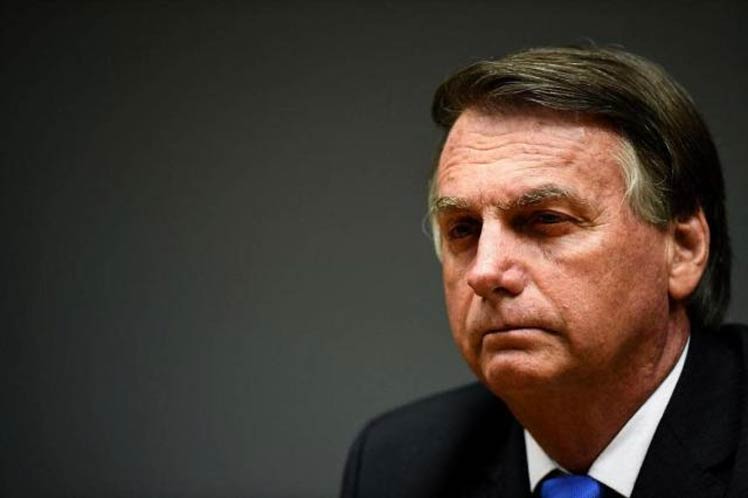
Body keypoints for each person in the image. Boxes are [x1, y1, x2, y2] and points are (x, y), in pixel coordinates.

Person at [339, 46, 748, 498]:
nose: (485, 271)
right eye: (464, 229)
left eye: (546, 220)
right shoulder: (397, 465)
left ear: (683, 249)